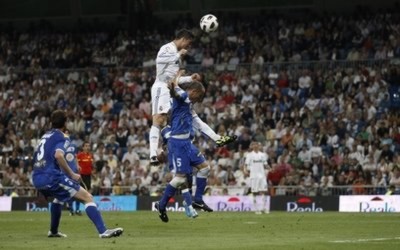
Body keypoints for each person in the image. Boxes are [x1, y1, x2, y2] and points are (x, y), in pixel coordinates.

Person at [149, 29, 235, 165]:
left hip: (170, 89)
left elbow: (174, 79)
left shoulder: (175, 54)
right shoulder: (167, 48)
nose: (188, 47)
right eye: (188, 44)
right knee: (158, 120)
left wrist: (189, 78)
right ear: (183, 39)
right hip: (161, 88)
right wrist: (178, 55)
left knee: (193, 117)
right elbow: (159, 62)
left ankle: (217, 138)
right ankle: (153, 154)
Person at [32, 109, 123, 238]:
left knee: (58, 198)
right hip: (51, 176)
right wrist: (72, 174)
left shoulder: (45, 136)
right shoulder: (62, 137)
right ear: (65, 123)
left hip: (37, 176)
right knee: (87, 197)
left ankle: (53, 231)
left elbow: (38, 157)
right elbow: (59, 155)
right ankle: (103, 231)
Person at [155, 73, 205, 222]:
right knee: (180, 180)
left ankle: (188, 204)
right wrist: (159, 150)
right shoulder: (165, 130)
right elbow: (175, 91)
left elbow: (176, 89)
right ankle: (187, 206)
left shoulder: (178, 123)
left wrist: (179, 77)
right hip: (175, 151)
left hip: (185, 147)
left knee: (186, 179)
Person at [244, 142, 269, 214]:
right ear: (252, 146)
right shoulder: (249, 155)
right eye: (254, 144)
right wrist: (245, 171)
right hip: (254, 176)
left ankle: (264, 208)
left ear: (259, 146)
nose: (255, 146)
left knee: (264, 191)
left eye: (257, 144)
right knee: (255, 192)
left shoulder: (262, 155)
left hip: (262, 176)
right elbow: (246, 164)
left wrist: (270, 168)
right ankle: (256, 208)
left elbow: (265, 164)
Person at [76, 141, 93, 214]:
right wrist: (78, 167)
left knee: (88, 191)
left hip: (88, 176)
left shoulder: (90, 155)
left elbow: (90, 166)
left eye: (88, 146)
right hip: (82, 176)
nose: (87, 147)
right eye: (86, 146)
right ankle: (77, 209)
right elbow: (76, 162)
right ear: (83, 147)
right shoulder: (80, 155)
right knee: (80, 193)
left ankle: (88, 208)